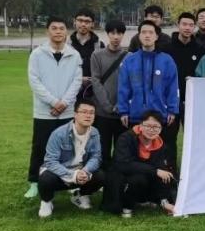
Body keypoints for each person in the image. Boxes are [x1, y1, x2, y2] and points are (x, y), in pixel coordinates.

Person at [25, 16, 82, 199]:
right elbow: (34, 81)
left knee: (69, 148)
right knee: (40, 146)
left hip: (67, 110)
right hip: (45, 111)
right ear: (47, 31)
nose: (58, 32)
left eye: (61, 28)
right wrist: (53, 102)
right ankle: (35, 182)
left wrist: (64, 103)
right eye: (54, 28)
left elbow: (77, 81)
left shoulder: (74, 54)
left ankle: (70, 180)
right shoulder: (37, 54)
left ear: (67, 31)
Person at [116, 21, 179, 155]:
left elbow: (173, 87)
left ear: (156, 36)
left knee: (160, 154)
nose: (147, 35)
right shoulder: (129, 60)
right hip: (136, 114)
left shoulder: (167, 60)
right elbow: (123, 87)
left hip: (160, 114)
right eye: (143, 32)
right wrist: (123, 110)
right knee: (135, 153)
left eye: (151, 32)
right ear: (139, 36)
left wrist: (172, 109)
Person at [37, 98, 105, 219]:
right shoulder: (59, 133)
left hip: (81, 170)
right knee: (46, 178)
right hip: (61, 171)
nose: (88, 115)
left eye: (91, 113)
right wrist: (73, 175)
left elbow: (96, 157)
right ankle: (46, 201)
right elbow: (50, 161)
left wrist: (85, 171)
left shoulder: (94, 132)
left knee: (101, 176)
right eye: (84, 112)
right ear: (75, 114)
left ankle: (80, 195)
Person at [103, 110, 176, 217]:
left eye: (156, 127)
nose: (151, 130)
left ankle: (162, 202)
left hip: (144, 178)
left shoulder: (160, 144)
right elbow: (123, 164)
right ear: (140, 126)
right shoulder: (126, 138)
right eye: (148, 126)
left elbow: (161, 169)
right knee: (139, 179)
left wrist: (164, 201)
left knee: (166, 174)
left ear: (160, 129)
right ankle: (126, 206)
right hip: (122, 177)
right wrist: (155, 171)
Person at [165, 12, 203, 164]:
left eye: (191, 25)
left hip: (192, 102)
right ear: (178, 25)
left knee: (193, 137)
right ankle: (170, 170)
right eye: (184, 24)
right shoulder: (166, 48)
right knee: (169, 137)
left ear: (195, 27)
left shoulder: (200, 49)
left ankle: (193, 170)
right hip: (171, 101)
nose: (187, 28)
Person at [90, 19, 128, 167]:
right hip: (102, 112)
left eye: (119, 33)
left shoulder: (130, 57)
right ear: (107, 34)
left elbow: (131, 84)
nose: (116, 37)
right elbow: (96, 81)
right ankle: (103, 175)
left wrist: (120, 105)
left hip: (122, 113)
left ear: (123, 35)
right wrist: (107, 106)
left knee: (121, 150)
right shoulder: (97, 55)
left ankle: (117, 177)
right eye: (112, 33)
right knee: (102, 149)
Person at [69, 8, 104, 95]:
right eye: (80, 20)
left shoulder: (99, 45)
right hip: (70, 92)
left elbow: (103, 70)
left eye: (87, 21)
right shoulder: (66, 45)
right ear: (74, 21)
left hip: (93, 92)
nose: (83, 24)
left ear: (92, 24)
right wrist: (79, 79)